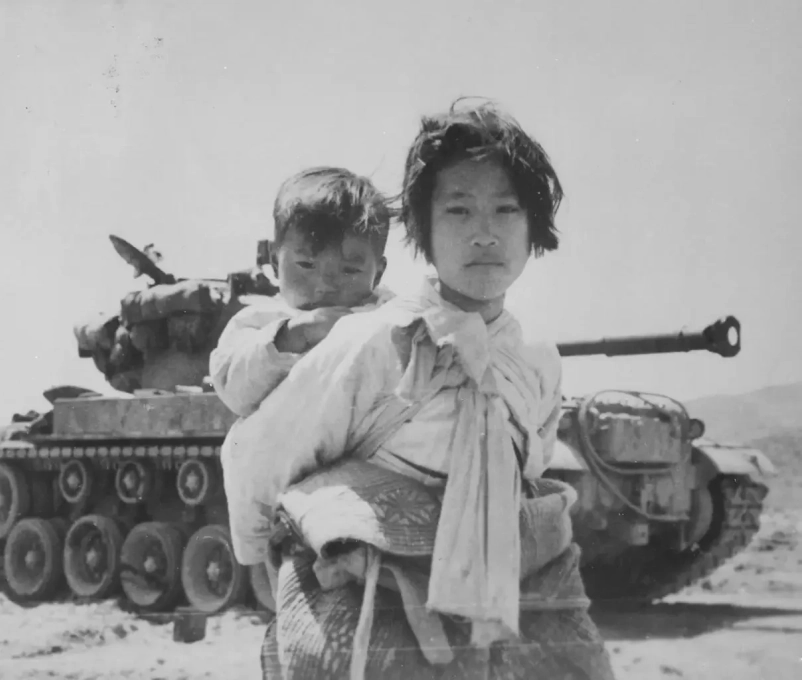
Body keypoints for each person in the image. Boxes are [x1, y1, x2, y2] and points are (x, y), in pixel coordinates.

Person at [222, 100, 616, 679]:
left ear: (534, 228)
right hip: (375, 599)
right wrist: (259, 558)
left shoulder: (537, 362)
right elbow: (262, 452)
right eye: (458, 210)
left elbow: (530, 464)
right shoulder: (372, 340)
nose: (484, 233)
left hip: (506, 595)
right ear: (423, 230)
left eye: (507, 209)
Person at [209, 166, 395, 419]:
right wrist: (290, 337)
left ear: (378, 273)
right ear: (275, 261)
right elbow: (232, 389)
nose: (325, 286)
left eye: (349, 270)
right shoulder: (259, 322)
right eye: (307, 265)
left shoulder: (389, 318)